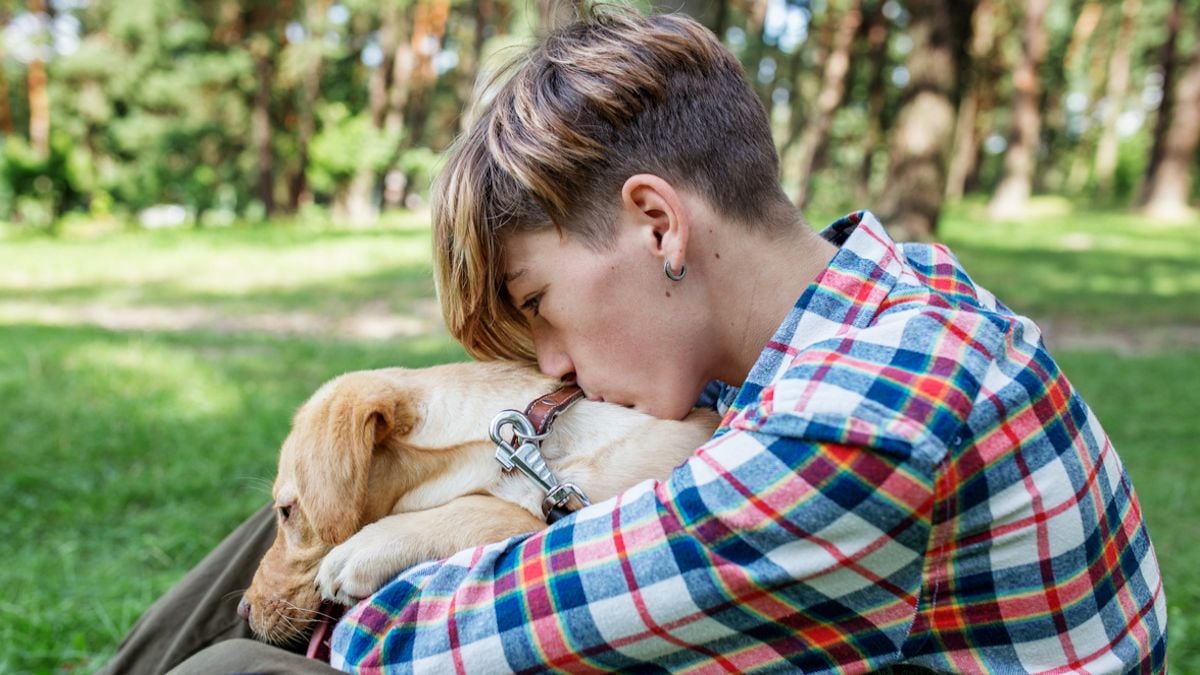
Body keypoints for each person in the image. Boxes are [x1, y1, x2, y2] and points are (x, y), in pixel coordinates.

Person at [100, 6, 1166, 674]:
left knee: (245, 665)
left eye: (540, 299)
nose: (552, 364)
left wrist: (360, 586)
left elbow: (421, 645)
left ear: (659, 225)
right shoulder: (891, 296)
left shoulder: (862, 424)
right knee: (308, 522)